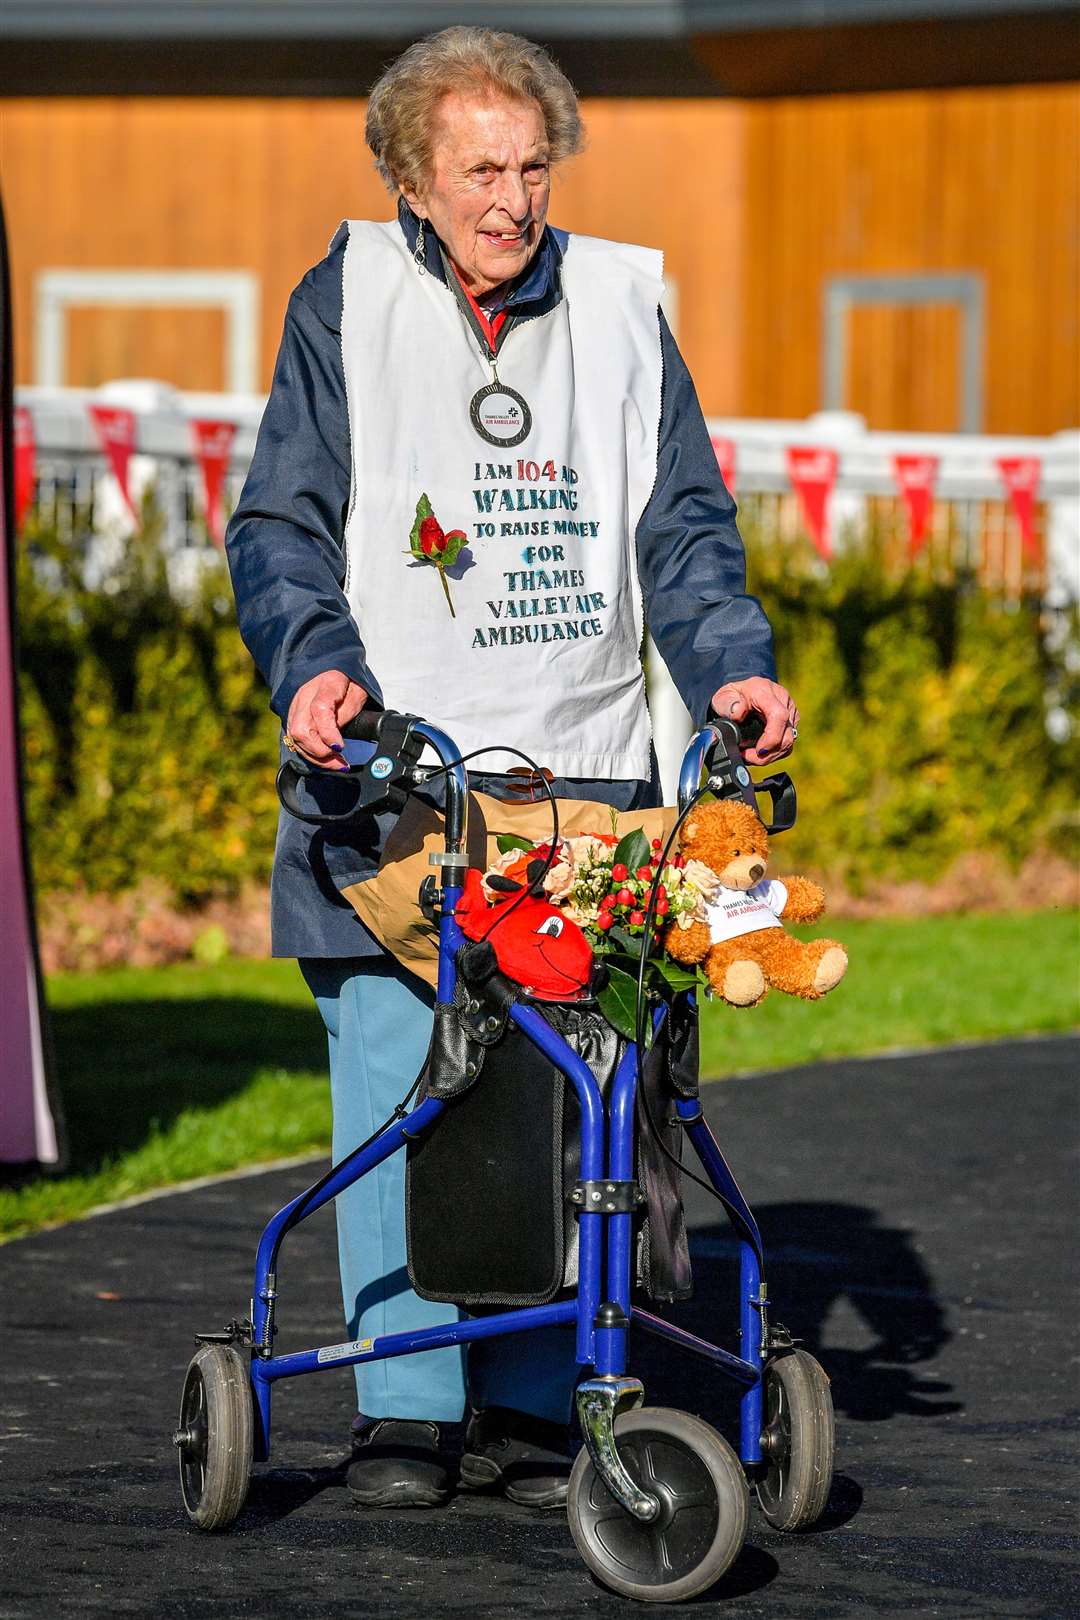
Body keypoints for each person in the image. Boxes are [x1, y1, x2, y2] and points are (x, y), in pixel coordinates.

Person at [225, 25, 798, 1513]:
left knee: (581, 1095)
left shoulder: (616, 305)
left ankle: (548, 1391)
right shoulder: (340, 302)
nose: (513, 196)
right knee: (393, 1085)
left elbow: (682, 527)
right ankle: (409, 1403)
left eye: (533, 164)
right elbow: (279, 524)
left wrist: (730, 659)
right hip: (393, 779)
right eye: (480, 167)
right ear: (412, 179)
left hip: (588, 774)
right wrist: (311, 666)